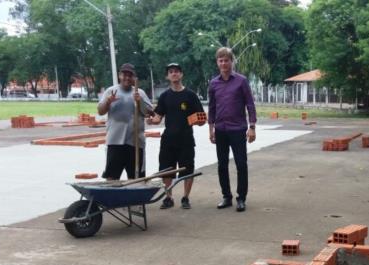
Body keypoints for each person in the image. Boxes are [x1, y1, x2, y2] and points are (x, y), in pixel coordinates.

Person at [148, 63, 204, 209]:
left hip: (186, 139)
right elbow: (158, 117)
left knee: (187, 169)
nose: (174, 74)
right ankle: (169, 197)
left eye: (177, 71)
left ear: (181, 74)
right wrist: (151, 120)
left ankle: (185, 198)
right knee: (167, 170)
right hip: (168, 140)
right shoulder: (164, 96)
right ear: (168, 76)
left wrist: (199, 121)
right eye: (171, 72)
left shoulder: (190, 95)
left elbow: (201, 117)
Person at [208, 47, 257, 212]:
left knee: (241, 164)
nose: (223, 63)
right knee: (222, 165)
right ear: (217, 63)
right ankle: (226, 197)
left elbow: (250, 104)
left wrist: (252, 127)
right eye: (220, 60)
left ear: (231, 61)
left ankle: (241, 198)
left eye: (226, 60)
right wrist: (211, 129)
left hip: (238, 129)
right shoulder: (213, 83)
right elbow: (212, 108)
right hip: (221, 129)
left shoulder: (241, 81)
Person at [97, 63, 154, 180]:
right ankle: (112, 199)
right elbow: (100, 111)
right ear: (119, 75)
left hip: (135, 143)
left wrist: (139, 102)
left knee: (137, 179)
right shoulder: (111, 91)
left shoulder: (140, 93)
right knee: (111, 178)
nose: (127, 78)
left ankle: (136, 198)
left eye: (130, 75)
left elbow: (149, 113)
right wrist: (108, 102)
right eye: (124, 74)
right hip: (115, 142)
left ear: (134, 77)